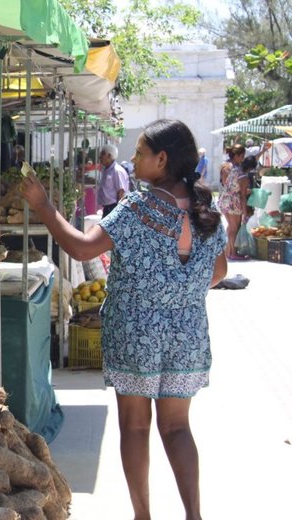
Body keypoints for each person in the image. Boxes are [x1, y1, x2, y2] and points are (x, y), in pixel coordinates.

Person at [20, 119, 227, 520]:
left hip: (136, 334)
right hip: (187, 336)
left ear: (162, 159)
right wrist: (178, 290)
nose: (132, 160)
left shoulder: (138, 208)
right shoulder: (207, 209)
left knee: (135, 428)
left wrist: (44, 206)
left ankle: (143, 516)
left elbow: (81, 250)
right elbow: (217, 273)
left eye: (140, 153)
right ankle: (194, 516)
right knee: (179, 429)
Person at [217, 144, 249, 260]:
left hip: (224, 199)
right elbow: (242, 195)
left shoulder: (225, 166)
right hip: (234, 201)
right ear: (237, 155)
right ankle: (233, 253)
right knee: (235, 228)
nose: (243, 158)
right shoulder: (238, 170)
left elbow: (226, 183)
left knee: (230, 227)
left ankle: (227, 251)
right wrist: (245, 212)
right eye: (242, 156)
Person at [96, 144, 130, 217]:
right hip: (107, 208)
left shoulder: (117, 171)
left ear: (109, 156)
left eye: (103, 154)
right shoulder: (106, 170)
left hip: (113, 208)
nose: (100, 157)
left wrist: (117, 213)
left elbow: (121, 192)